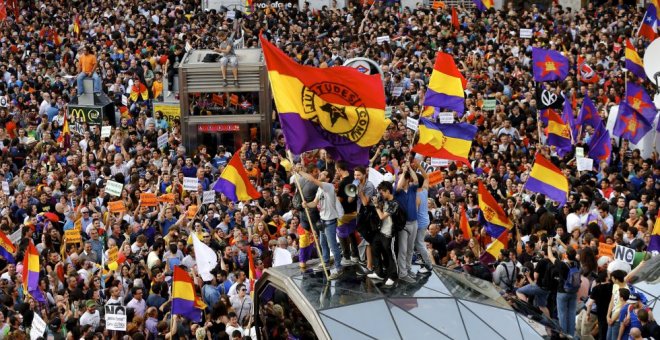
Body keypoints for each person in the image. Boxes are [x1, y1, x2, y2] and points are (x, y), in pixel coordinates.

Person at [297, 167, 344, 280]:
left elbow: (312, 180)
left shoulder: (328, 186)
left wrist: (299, 171)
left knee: (333, 246)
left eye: (323, 174)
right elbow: (314, 203)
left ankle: (339, 268)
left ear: (327, 178)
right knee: (323, 244)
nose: (320, 174)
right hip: (322, 221)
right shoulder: (320, 189)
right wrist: (307, 205)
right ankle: (326, 262)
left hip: (330, 221)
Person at [368, 181, 399, 287]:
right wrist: (377, 202)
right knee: (375, 248)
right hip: (380, 231)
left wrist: (377, 205)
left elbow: (382, 216)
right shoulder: (384, 200)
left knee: (390, 255)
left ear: (388, 191)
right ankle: (379, 272)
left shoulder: (394, 203)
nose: (381, 194)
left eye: (382, 192)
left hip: (389, 234)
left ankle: (393, 275)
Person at [394, 160, 419, 283]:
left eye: (403, 178)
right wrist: (403, 172)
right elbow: (398, 186)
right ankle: (402, 273)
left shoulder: (412, 189)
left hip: (414, 222)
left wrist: (410, 169)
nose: (401, 180)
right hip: (403, 224)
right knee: (403, 250)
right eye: (399, 178)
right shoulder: (397, 191)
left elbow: (416, 180)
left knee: (410, 249)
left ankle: (408, 269)